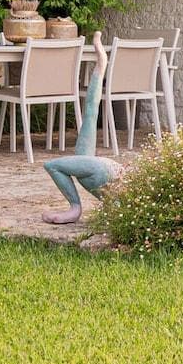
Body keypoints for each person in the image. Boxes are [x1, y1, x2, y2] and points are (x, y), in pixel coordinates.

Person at [42, 37, 124, 224]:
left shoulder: (123, 202)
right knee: (90, 114)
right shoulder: (122, 202)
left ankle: (75, 208)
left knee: (52, 165)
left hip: (104, 171)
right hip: (105, 170)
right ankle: (101, 64)